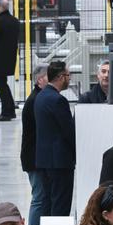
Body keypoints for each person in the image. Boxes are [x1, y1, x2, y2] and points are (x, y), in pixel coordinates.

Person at [34, 61, 76, 216]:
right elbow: (68, 131)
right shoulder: (58, 100)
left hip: (44, 160)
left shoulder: (41, 96)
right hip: (60, 162)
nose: (69, 79)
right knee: (60, 205)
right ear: (60, 77)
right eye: (68, 76)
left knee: (48, 203)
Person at [21, 66, 48, 225]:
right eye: (48, 76)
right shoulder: (35, 101)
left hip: (36, 157)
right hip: (34, 159)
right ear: (39, 80)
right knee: (39, 198)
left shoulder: (39, 98)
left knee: (41, 197)